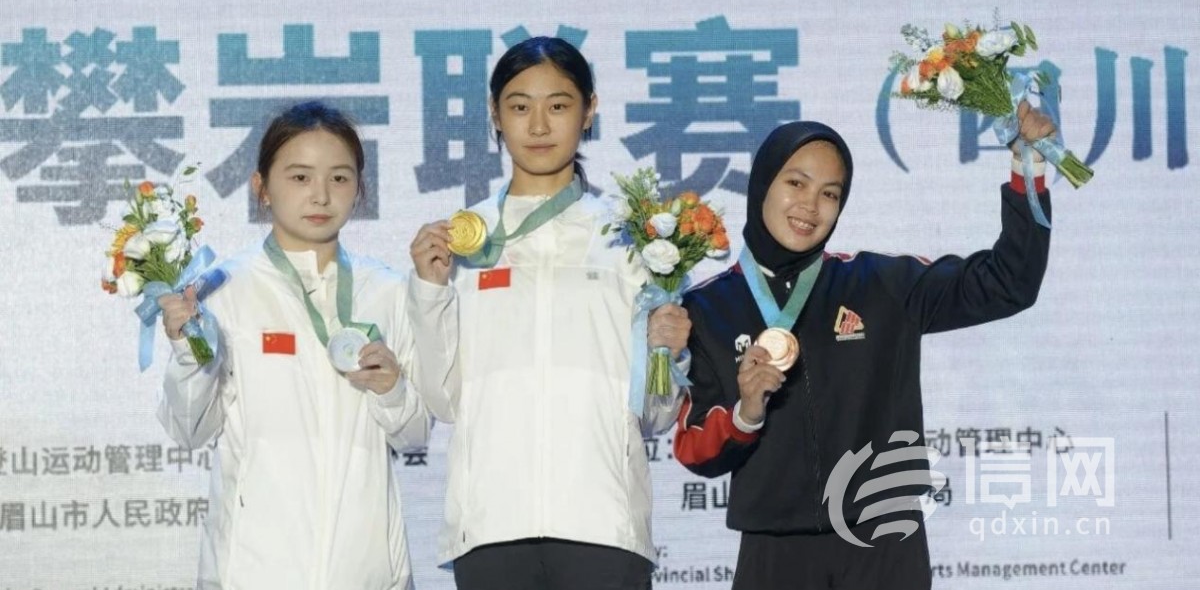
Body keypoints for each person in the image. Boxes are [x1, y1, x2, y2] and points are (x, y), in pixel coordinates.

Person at [674, 103, 1056, 589]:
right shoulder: (706, 309)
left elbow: (1009, 283)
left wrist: (1028, 167)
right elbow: (696, 451)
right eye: (796, 183)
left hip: (884, 539)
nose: (811, 206)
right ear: (762, 184)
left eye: (829, 193)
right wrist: (746, 413)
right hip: (775, 549)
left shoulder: (880, 284)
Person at [407, 36, 692, 590]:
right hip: (491, 525)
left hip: (603, 523)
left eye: (558, 105)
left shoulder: (632, 241)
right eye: (519, 106)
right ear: (495, 114)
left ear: (590, 110)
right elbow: (443, 399)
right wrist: (429, 291)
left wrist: (668, 352)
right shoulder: (461, 241)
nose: (538, 125)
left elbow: (656, 416)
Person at [156, 101, 430, 589]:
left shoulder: (387, 291)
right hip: (253, 572)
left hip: (367, 572)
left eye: (340, 178)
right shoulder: (221, 290)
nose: (321, 195)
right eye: (300, 177)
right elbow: (189, 430)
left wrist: (392, 389)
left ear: (360, 188)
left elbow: (413, 436)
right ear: (261, 187)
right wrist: (187, 351)